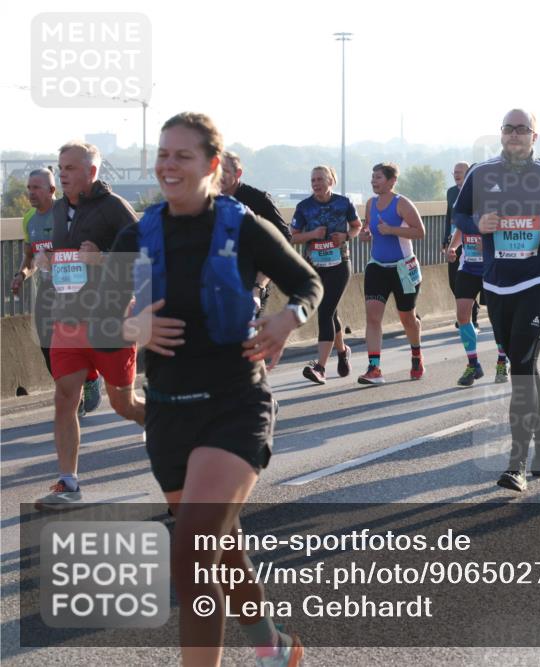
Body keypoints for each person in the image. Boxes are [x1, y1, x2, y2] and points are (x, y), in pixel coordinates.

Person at [99, 111, 321, 666]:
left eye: (183, 156)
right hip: (168, 413)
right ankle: (274, 646)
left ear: (212, 165)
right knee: (219, 549)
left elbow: (307, 282)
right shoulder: (138, 232)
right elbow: (92, 312)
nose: (169, 166)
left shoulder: (243, 225)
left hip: (235, 405)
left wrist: (287, 318)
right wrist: (133, 328)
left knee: (192, 549)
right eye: (163, 155)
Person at [451, 108, 540, 492]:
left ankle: (516, 463)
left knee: (521, 363)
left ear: (534, 137)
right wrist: (477, 225)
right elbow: (459, 214)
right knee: (524, 364)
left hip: (539, 280)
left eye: (523, 129)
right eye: (509, 128)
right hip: (498, 283)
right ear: (501, 134)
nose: (515, 134)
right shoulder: (481, 173)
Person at [34, 141, 146, 510]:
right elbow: (68, 262)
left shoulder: (115, 208)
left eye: (69, 167)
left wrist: (103, 258)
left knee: (123, 405)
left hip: (110, 319)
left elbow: (145, 257)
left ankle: (160, 424)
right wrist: (52, 263)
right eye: (60, 166)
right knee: (65, 398)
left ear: (91, 172)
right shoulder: (61, 208)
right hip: (68, 318)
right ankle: (69, 482)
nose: (62, 173)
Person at [12, 169, 104, 412]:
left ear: (52, 191)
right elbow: (30, 256)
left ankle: (90, 378)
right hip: (47, 288)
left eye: (36, 188)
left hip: (75, 287)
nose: (31, 193)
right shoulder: (29, 218)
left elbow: (86, 249)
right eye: (29, 187)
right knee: (45, 344)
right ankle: (73, 390)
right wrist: (22, 274)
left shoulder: (67, 214)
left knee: (80, 340)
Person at [291, 165, 361, 384]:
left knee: (325, 311)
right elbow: (293, 237)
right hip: (315, 266)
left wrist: (346, 236)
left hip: (339, 265)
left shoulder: (343, 203)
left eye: (321, 179)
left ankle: (320, 367)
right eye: (313, 180)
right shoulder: (303, 207)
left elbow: (357, 226)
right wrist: (312, 234)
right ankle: (342, 351)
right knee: (330, 313)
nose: (316, 183)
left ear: (331, 181)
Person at [358, 163, 426, 384]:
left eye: (378, 177)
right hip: (377, 267)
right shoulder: (370, 204)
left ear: (391, 181)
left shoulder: (402, 204)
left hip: (403, 268)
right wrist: (365, 234)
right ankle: (374, 368)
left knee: (407, 317)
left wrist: (393, 230)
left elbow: (420, 232)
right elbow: (368, 227)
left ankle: (416, 355)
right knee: (373, 317)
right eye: (372, 177)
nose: (373, 181)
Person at [220, 150, 291, 317]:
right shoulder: (209, 200)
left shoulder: (259, 199)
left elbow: (284, 238)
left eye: (224, 171)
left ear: (238, 173)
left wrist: (259, 285)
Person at [446, 222, 509, 386]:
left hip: (493, 267)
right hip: (468, 268)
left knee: (497, 317)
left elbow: (509, 232)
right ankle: (473, 364)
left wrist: (490, 245)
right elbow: (461, 228)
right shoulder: (466, 204)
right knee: (462, 316)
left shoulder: (497, 202)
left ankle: (502, 360)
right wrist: (453, 247)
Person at [444, 162, 472, 326]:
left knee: (469, 281)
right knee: (454, 282)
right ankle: (468, 309)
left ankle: (471, 318)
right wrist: (445, 240)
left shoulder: (476, 193)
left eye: (460, 172)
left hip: (472, 242)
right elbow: (449, 216)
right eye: (454, 172)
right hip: (454, 240)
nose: (456, 175)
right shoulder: (451, 192)